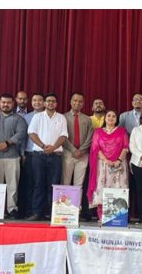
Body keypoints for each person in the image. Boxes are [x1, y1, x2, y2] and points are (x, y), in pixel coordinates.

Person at [0, 93, 27, 219]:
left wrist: (7, 143)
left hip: (12, 156)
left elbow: (22, 133)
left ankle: (12, 209)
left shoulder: (19, 119)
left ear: (13, 104)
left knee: (12, 184)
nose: (6, 105)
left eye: (8, 103)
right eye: (3, 102)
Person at [26, 93, 68, 221]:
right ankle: (37, 212)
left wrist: (53, 147)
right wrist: (44, 146)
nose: (50, 103)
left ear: (56, 104)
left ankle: (53, 213)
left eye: (53, 101)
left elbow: (64, 135)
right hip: (39, 155)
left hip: (55, 156)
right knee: (38, 184)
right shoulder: (37, 117)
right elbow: (31, 133)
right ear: (44, 103)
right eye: (48, 101)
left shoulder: (61, 118)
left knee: (54, 185)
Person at [87, 110, 129, 219]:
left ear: (117, 119)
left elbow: (125, 147)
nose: (111, 118)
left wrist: (118, 160)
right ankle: (102, 215)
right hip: (103, 165)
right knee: (102, 187)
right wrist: (106, 160)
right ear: (105, 118)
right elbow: (96, 148)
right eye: (108, 116)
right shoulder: (98, 132)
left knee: (118, 187)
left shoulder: (122, 131)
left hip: (119, 164)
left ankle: (118, 216)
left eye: (114, 116)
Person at [19, 93, 45, 218]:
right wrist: (22, 153)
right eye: (34, 100)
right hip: (30, 154)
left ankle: (41, 210)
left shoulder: (49, 116)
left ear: (44, 102)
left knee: (41, 183)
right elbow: (23, 137)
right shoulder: (26, 117)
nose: (37, 103)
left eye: (40, 100)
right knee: (29, 183)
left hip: (45, 154)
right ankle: (29, 210)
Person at [62, 92, 94, 187]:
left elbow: (90, 137)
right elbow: (62, 136)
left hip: (83, 154)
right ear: (70, 102)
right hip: (68, 153)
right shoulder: (63, 117)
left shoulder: (87, 119)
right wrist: (73, 150)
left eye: (80, 101)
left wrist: (81, 150)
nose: (77, 103)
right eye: (75, 100)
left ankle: (76, 202)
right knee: (65, 181)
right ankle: (64, 202)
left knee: (79, 184)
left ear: (83, 104)